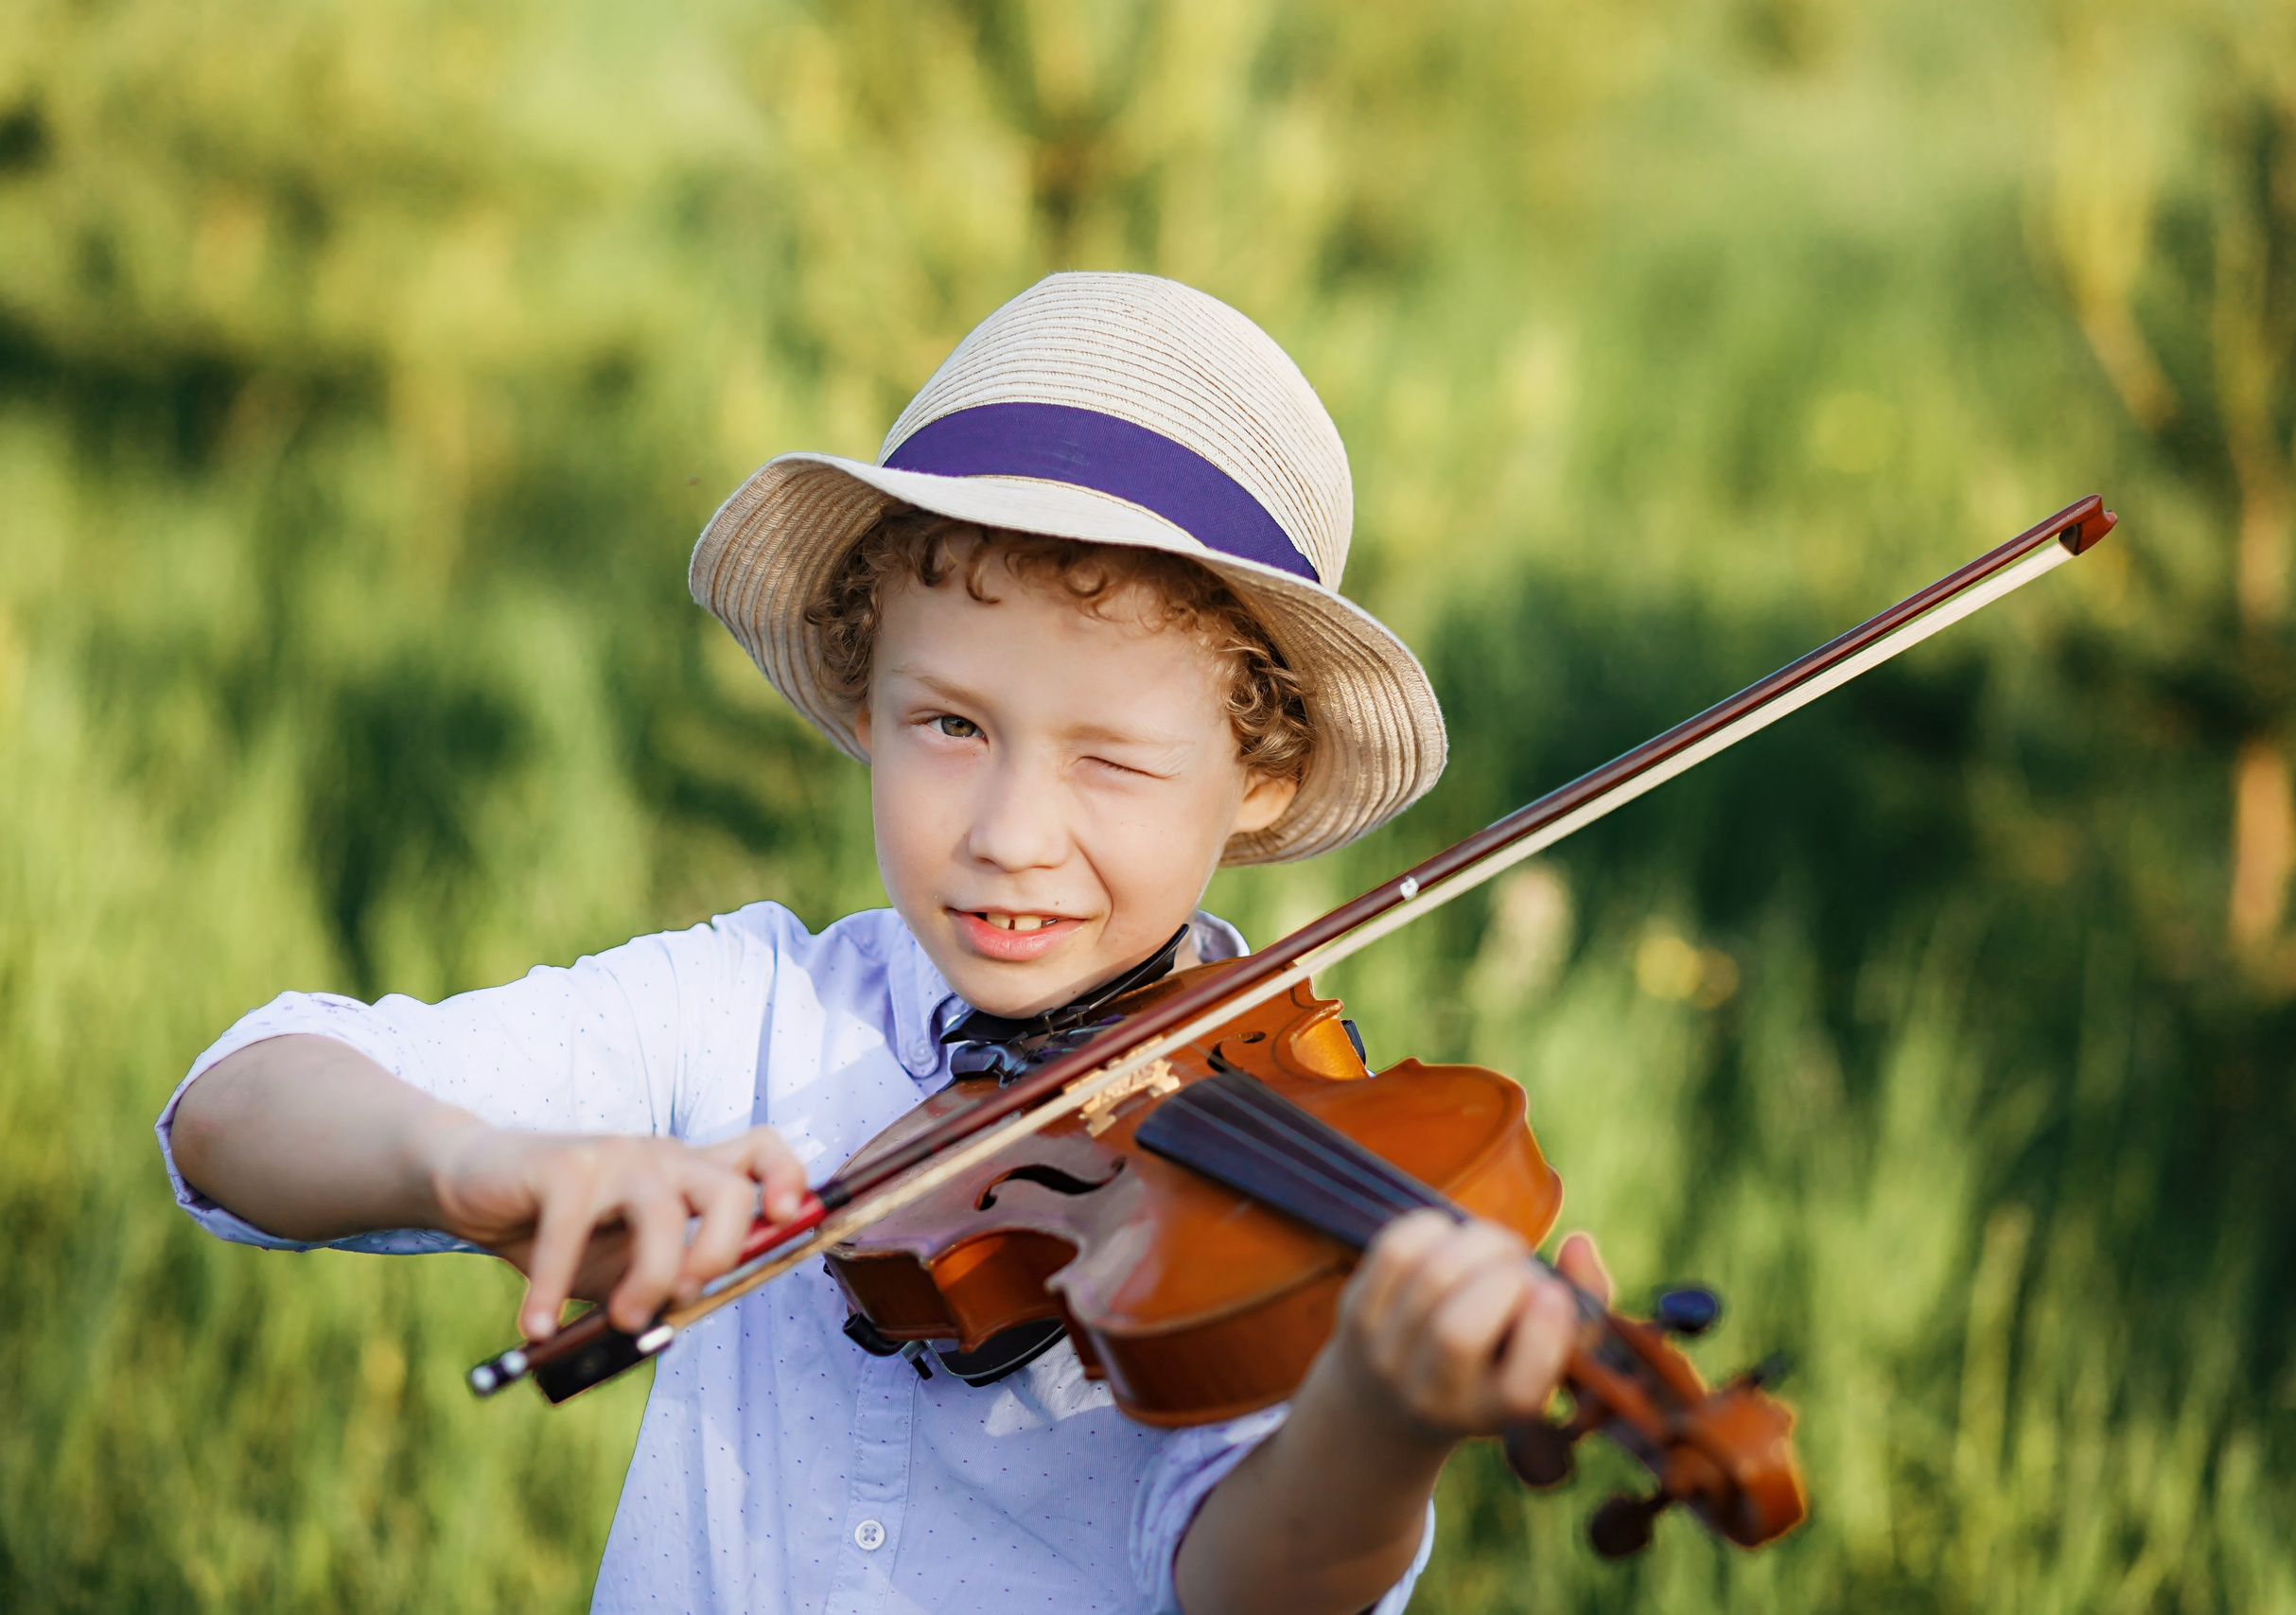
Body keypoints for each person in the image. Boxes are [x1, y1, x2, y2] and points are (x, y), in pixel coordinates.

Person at [161, 272, 1607, 1615]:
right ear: (863, 697)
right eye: (951, 726)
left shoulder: (1284, 1181)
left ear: (1267, 777)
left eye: (1112, 760)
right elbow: (235, 1110)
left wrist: (1378, 1424)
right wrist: (475, 1169)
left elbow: (1252, 1584)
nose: (1011, 832)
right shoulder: (748, 1007)